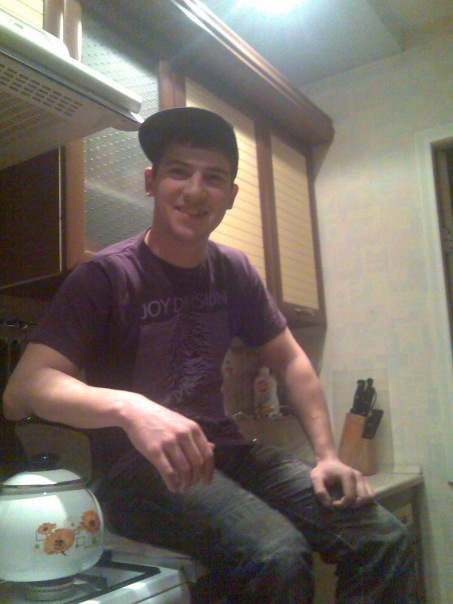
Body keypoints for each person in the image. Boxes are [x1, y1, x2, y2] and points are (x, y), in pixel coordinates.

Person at [4, 108, 416, 603]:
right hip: (136, 474)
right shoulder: (105, 276)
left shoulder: (234, 271)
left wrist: (327, 455)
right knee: (278, 555)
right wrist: (132, 408)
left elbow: (290, 361)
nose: (195, 191)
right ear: (151, 182)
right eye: (179, 171)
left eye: (213, 178)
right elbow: (23, 390)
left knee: (382, 537)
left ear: (231, 196)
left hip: (228, 454)